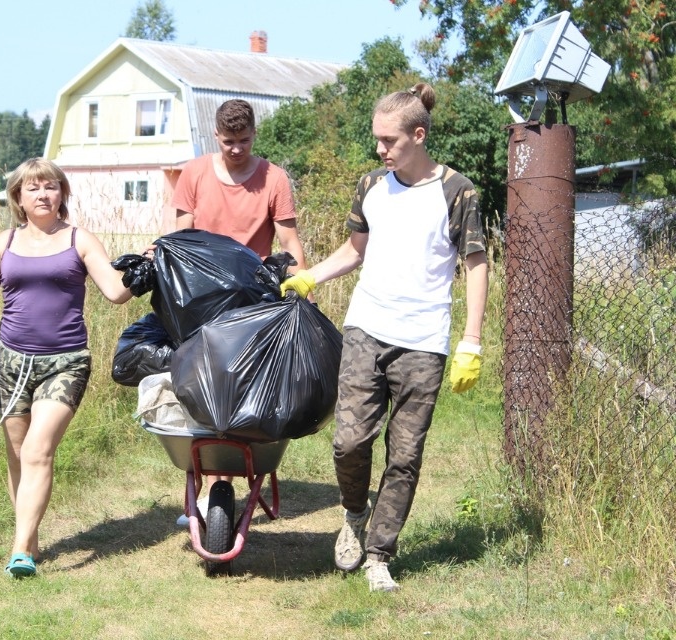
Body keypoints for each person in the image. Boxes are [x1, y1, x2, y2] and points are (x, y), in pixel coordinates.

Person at [281, 83, 488, 592]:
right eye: (377, 139)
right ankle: (354, 513)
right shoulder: (372, 184)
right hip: (366, 330)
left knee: (405, 454)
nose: (380, 149)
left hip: (424, 342)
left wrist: (472, 341)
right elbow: (356, 251)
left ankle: (379, 553)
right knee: (349, 440)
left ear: (418, 136)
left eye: (389, 140)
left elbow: (477, 263)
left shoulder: (458, 192)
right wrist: (312, 276)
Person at [0, 158, 132, 578]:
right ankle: (29, 538)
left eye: (51, 186)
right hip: (11, 360)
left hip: (66, 361)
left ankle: (19, 551)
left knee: (36, 449)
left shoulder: (80, 240)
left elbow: (116, 291)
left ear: (62, 194)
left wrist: (144, 267)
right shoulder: (4, 241)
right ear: (18, 198)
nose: (43, 194)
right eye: (33, 188)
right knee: (17, 456)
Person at [170, 98, 311, 525]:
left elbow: (289, 240)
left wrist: (302, 287)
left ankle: (230, 476)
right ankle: (208, 484)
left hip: (252, 299)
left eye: (244, 140)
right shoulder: (194, 173)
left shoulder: (274, 179)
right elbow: (180, 233)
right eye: (229, 141)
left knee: (240, 388)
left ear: (254, 135)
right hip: (201, 296)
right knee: (201, 385)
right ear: (216, 136)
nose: (236, 149)